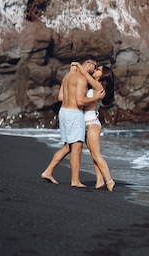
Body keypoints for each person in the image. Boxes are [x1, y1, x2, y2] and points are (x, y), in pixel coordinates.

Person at [40, 55, 105, 187]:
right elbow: (80, 101)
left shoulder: (67, 76)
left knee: (67, 147)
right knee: (77, 148)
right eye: (94, 65)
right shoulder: (81, 79)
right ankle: (75, 181)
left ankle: (48, 171)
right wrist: (95, 98)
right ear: (88, 64)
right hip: (74, 114)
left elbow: (60, 97)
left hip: (63, 112)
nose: (94, 69)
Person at [75, 61, 116, 192]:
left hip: (92, 123)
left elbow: (87, 77)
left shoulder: (99, 87)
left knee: (97, 154)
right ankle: (99, 181)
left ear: (103, 75)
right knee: (93, 155)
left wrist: (81, 67)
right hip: (87, 123)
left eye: (98, 69)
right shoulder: (94, 88)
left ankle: (109, 181)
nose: (95, 70)